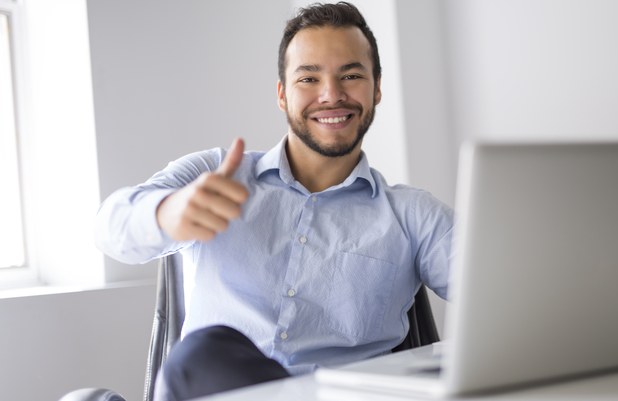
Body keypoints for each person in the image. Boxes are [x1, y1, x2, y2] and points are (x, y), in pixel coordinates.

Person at [95, 2, 453, 400]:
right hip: (215, 386)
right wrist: (167, 213)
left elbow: (504, 291)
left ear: (377, 88)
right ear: (282, 95)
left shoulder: (413, 216)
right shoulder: (214, 175)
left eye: (350, 75)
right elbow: (110, 228)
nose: (331, 95)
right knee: (200, 353)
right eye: (309, 79)